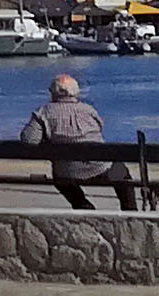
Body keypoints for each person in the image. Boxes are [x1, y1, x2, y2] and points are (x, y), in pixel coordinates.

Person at [19, 74, 143, 212]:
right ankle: (130, 210)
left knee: (60, 179)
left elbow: (29, 140)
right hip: (100, 167)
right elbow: (99, 128)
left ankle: (83, 206)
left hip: (67, 171)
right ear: (75, 92)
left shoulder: (43, 113)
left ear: (53, 92)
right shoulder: (89, 110)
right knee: (121, 172)